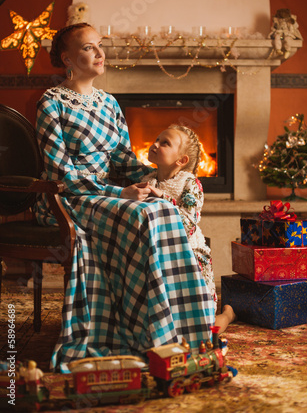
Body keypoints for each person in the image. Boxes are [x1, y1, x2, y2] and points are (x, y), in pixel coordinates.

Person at [34, 23, 215, 373]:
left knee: (160, 208)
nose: (100, 54)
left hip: (107, 197)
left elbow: (122, 160)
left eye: (100, 46)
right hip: (67, 199)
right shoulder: (51, 103)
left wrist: (164, 181)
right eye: (89, 48)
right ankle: (135, 333)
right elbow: (60, 174)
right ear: (67, 58)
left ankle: (185, 328)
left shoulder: (109, 103)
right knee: (140, 214)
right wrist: (121, 193)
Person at [142, 125, 236, 333]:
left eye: (164, 142)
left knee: (203, 327)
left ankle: (227, 313)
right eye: (156, 138)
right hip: (158, 256)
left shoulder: (190, 183)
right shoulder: (146, 181)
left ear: (181, 160)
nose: (155, 144)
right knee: (162, 321)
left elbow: (188, 222)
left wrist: (161, 197)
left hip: (187, 256)